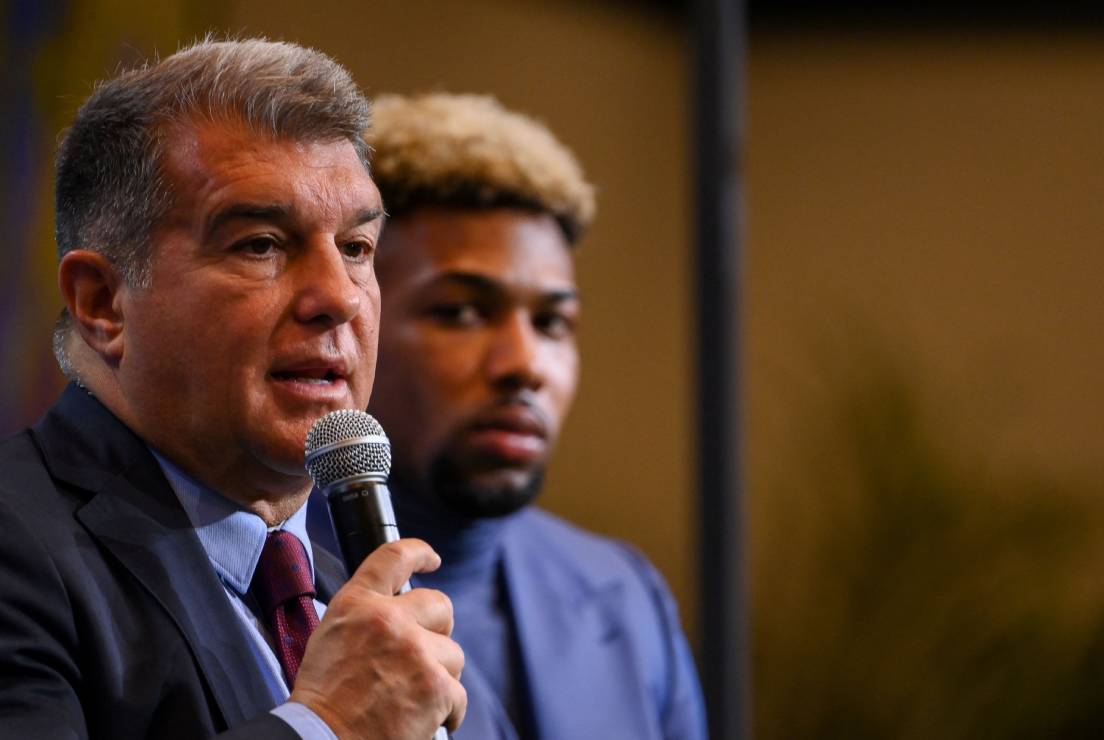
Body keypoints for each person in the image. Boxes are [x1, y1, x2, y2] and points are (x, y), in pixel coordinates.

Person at [0, 39, 467, 739]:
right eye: (261, 244)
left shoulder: (361, 603)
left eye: (356, 248)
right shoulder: (20, 545)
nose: (338, 298)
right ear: (103, 302)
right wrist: (326, 726)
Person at [309, 92, 707, 740]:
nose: (525, 364)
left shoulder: (624, 596)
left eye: (552, 322)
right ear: (353, 320)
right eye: (461, 312)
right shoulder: (262, 580)